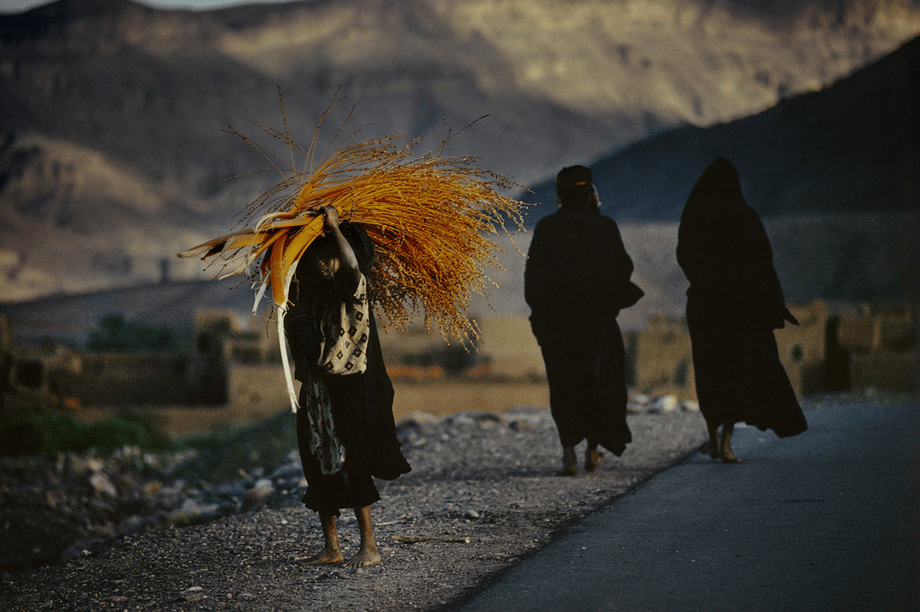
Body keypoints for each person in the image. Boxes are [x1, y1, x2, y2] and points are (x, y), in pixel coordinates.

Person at [284, 205, 411, 567]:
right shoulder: (309, 301)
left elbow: (352, 267)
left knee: (353, 462)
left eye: (330, 258)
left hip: (349, 389)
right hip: (317, 390)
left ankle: (369, 546)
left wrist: (335, 228)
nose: (325, 264)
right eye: (319, 259)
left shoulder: (354, 292)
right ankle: (332, 547)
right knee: (318, 462)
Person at [676, 157, 807, 463]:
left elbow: (685, 256)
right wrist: (771, 303)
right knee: (735, 371)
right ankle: (726, 442)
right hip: (741, 309)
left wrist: (706, 281)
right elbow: (763, 263)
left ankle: (711, 436)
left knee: (711, 372)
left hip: (706, 307)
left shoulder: (696, 217)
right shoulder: (745, 217)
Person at [524, 165, 644, 476]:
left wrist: (543, 318)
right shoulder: (604, 227)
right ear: (590, 193)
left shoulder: (547, 229)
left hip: (557, 329)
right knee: (597, 386)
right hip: (596, 325)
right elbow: (621, 271)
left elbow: (534, 280)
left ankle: (569, 454)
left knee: (564, 387)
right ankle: (593, 450)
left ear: (560, 196)